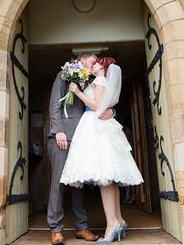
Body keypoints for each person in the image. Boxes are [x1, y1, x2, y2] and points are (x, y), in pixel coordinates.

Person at [60, 57, 144, 243]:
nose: (94, 65)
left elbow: (97, 106)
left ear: (103, 68)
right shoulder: (101, 81)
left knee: (105, 178)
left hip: (95, 126)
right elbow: (105, 104)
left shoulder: (99, 80)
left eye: (97, 63)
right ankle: (118, 220)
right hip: (102, 127)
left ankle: (112, 224)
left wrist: (78, 92)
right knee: (109, 178)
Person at [47, 52, 114, 245]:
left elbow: (100, 102)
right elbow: (54, 105)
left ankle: (82, 228)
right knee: (58, 184)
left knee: (78, 185)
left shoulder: (90, 82)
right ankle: (56, 229)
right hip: (61, 137)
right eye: (92, 62)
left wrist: (111, 111)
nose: (93, 66)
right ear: (81, 61)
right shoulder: (63, 76)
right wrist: (58, 130)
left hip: (81, 139)